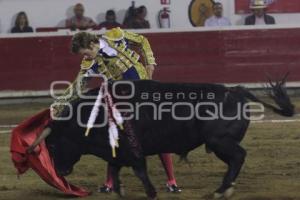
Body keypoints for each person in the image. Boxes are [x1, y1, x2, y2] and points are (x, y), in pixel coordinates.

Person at [27, 27, 181, 193]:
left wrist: (150, 61)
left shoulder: (115, 36)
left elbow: (142, 40)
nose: (85, 57)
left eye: (85, 53)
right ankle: (110, 182)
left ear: (93, 44)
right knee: (113, 136)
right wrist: (58, 105)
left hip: (144, 92)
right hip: (121, 98)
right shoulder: (90, 62)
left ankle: (171, 180)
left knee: (157, 135)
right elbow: (77, 87)